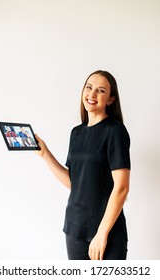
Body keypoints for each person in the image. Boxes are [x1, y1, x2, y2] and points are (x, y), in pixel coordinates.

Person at [35, 70, 131, 260]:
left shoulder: (115, 131)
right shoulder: (76, 133)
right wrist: (45, 154)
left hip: (107, 232)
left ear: (110, 99)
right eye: (89, 87)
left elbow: (122, 188)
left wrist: (102, 234)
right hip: (74, 229)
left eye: (101, 90)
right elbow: (75, 183)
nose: (92, 94)